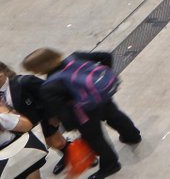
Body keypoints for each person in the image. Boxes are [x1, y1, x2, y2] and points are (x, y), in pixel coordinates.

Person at [22, 48, 140, 179]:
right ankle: (133, 136)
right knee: (116, 117)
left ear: (40, 67)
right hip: (101, 98)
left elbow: (61, 110)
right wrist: (101, 79)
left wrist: (71, 127)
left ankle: (110, 165)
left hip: (83, 114)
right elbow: (106, 56)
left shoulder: (49, 85)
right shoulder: (76, 57)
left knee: (95, 139)